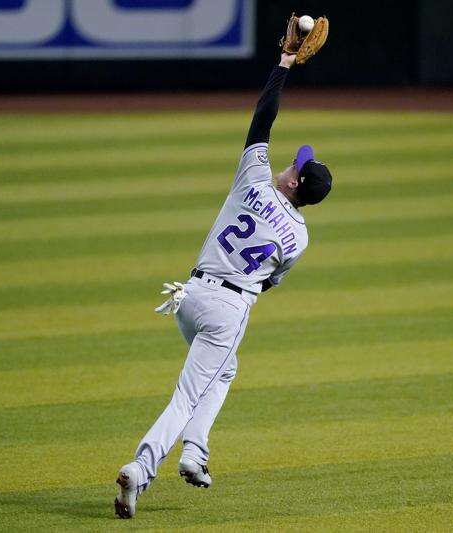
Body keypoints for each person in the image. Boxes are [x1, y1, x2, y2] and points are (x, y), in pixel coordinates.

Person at [114, 51, 333, 519]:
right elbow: (267, 283)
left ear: (294, 181)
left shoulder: (252, 177)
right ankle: (141, 466)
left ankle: (194, 452)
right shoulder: (300, 236)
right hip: (228, 308)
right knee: (190, 392)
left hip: (188, 296)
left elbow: (263, 115)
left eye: (297, 165)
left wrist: (285, 61)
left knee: (224, 370)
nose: (292, 162)